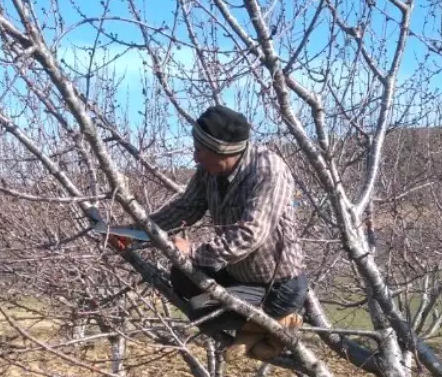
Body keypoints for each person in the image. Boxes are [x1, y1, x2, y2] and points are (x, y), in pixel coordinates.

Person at [117, 105, 307, 361]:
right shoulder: (210, 171)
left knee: (201, 310)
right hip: (238, 277)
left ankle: (276, 320)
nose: (195, 158)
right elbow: (186, 208)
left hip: (277, 286)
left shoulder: (267, 170)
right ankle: (260, 329)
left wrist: (193, 251)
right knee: (186, 284)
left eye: (200, 151)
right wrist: (134, 232)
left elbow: (250, 234)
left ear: (223, 152)